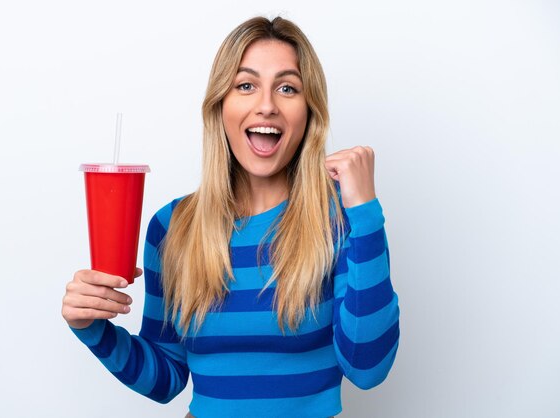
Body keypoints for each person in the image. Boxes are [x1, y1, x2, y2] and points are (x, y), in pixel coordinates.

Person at [62, 16, 399, 418]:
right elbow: (167, 377)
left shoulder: (343, 222)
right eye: (246, 85)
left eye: (287, 88)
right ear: (220, 105)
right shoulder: (173, 227)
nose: (267, 105)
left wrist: (365, 211)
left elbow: (367, 367)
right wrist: (92, 329)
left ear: (309, 113)